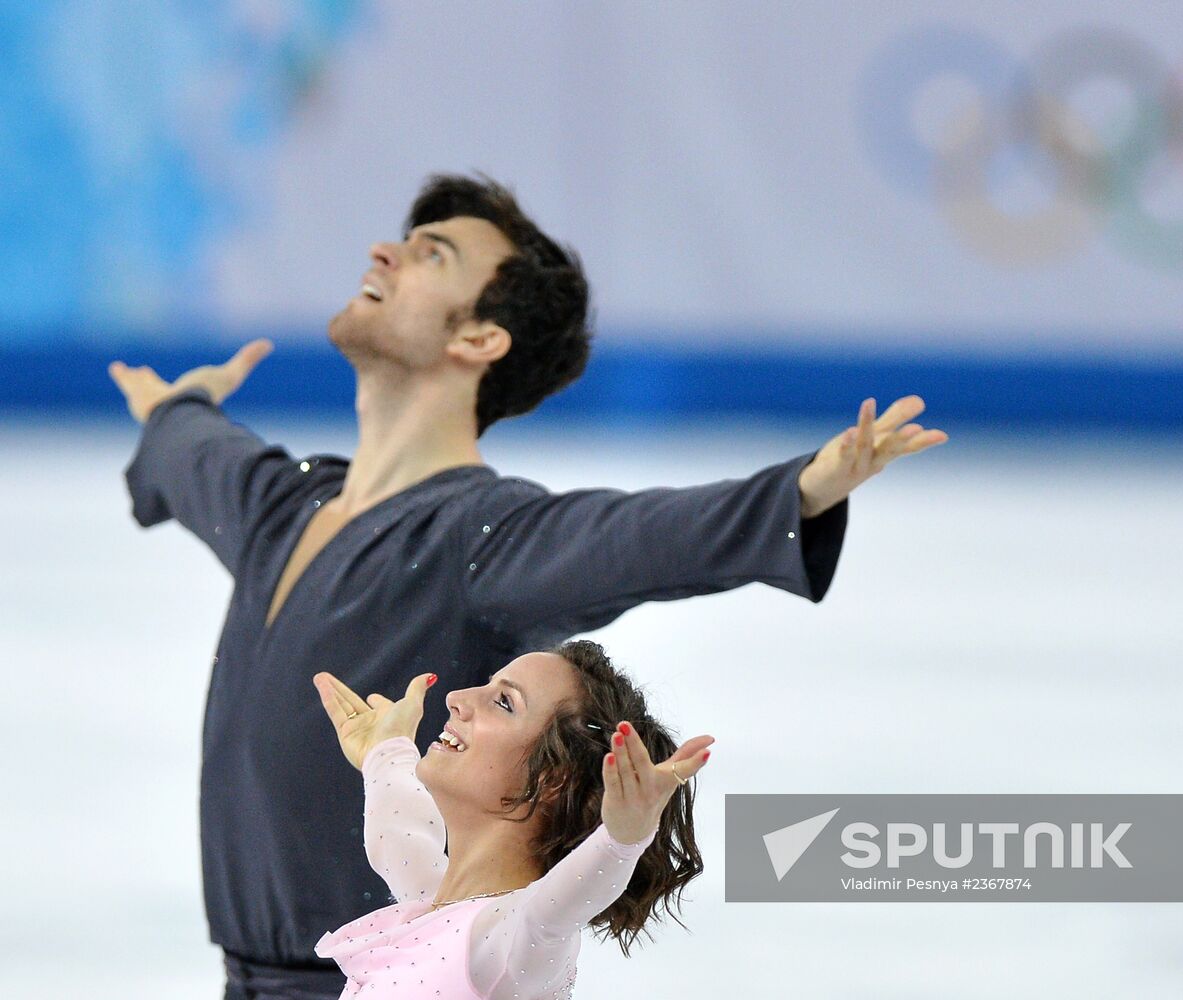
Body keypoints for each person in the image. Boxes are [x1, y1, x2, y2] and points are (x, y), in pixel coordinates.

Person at [107, 174, 947, 998]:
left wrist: (799, 491)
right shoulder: (284, 503)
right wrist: (175, 405)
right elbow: (190, 449)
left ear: (479, 338)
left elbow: (635, 539)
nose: (384, 252)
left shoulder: (482, 538)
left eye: (430, 254)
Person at [310, 639, 709, 999]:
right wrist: (386, 750)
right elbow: (399, 836)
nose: (456, 697)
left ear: (553, 776)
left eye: (504, 702)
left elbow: (557, 911)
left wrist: (622, 841)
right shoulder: (437, 907)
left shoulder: (509, 943)